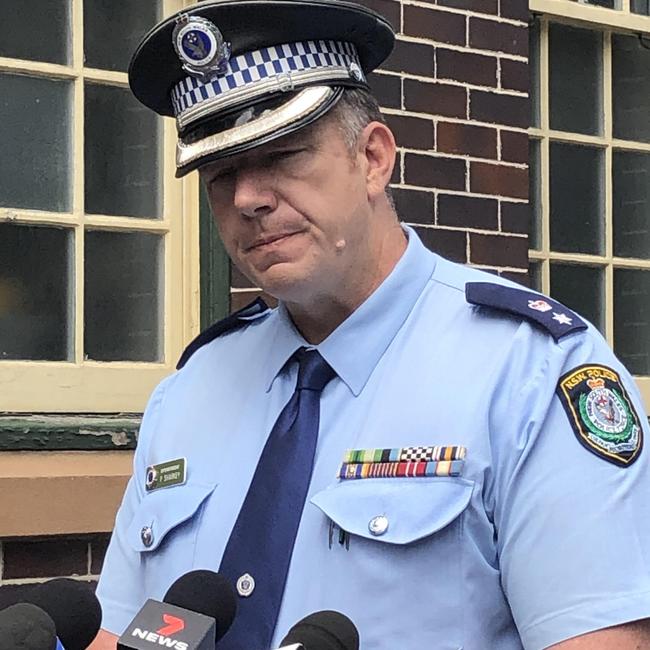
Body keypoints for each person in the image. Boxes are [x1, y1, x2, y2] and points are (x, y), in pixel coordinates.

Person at [92, 1, 650, 648]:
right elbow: (125, 630)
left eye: (282, 156)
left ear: (375, 158)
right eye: (221, 176)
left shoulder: (532, 373)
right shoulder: (191, 392)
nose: (248, 198)